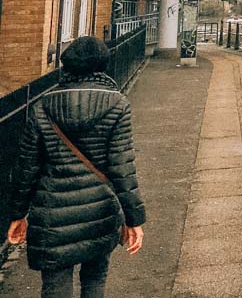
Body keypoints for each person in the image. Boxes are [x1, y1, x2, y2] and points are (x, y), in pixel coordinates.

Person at [5, 36, 146, 298]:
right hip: (100, 210)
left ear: (67, 66)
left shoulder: (43, 106)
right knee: (94, 281)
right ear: (103, 66)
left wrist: (17, 214)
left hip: (52, 214)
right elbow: (122, 168)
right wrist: (133, 219)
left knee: (55, 286)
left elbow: (27, 168)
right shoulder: (117, 104)